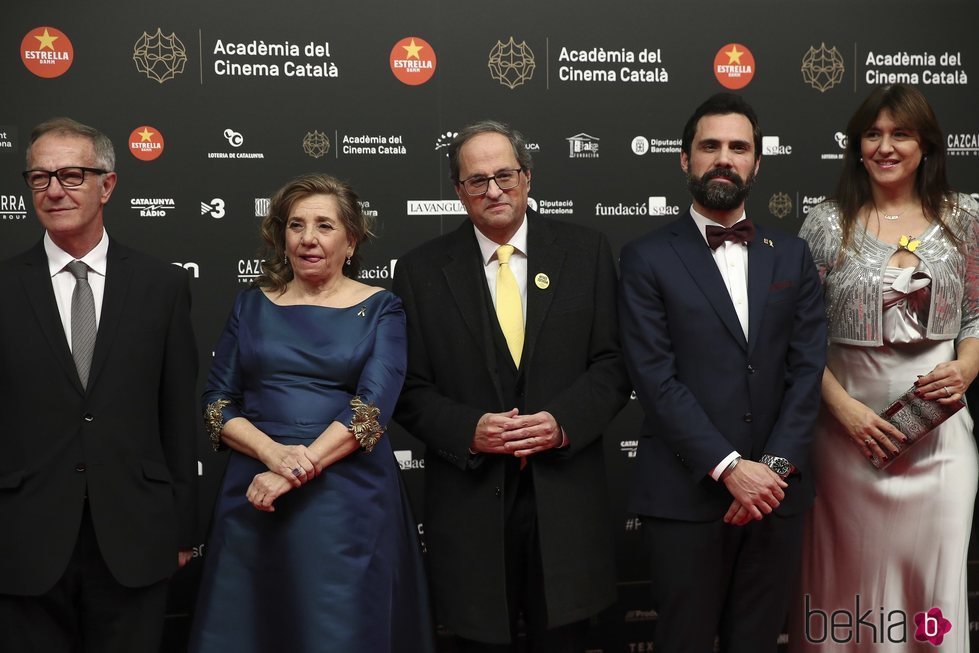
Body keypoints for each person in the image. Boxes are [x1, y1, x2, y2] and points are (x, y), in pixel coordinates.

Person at [393, 120, 630, 652]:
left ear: (527, 177)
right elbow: (407, 389)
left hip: (565, 504)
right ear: (458, 191)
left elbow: (614, 365)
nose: (493, 190)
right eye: (476, 180)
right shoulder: (419, 271)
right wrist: (469, 430)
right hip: (471, 505)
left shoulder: (586, 252)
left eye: (505, 175)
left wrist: (562, 423)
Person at [188, 173, 433, 652]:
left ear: (352, 239)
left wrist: (294, 469)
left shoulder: (383, 308)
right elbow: (217, 402)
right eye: (296, 225)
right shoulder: (251, 305)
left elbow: (372, 411)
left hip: (348, 498)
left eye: (324, 225)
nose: (308, 238)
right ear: (281, 237)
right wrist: (275, 458)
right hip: (256, 491)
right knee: (251, 629)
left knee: (339, 631)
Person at [618, 93, 827, 653]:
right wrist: (731, 468)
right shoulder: (645, 258)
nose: (724, 158)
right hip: (686, 497)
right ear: (684, 160)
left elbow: (807, 372)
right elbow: (655, 380)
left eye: (739, 147)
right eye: (710, 146)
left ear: (757, 163)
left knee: (757, 642)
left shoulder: (793, 255)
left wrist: (772, 472)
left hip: (777, 496)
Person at [789, 85, 979, 652]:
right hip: (845, 440)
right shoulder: (825, 223)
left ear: (926, 145)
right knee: (843, 591)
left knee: (935, 590)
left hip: (940, 442)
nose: (885, 146)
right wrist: (844, 409)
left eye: (900, 134)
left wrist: (967, 368)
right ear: (857, 146)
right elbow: (800, 338)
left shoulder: (966, 217)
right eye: (873, 134)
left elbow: (976, 313)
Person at [0, 118, 199, 652]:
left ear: (107, 184)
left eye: (71, 175)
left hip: (135, 535)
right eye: (39, 178)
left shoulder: (163, 285)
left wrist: (182, 529)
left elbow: (178, 413)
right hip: (23, 538)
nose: (54, 190)